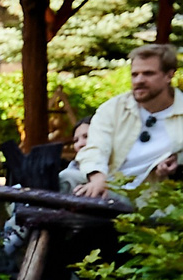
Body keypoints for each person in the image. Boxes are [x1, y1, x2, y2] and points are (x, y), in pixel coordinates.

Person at [75, 44, 180, 199]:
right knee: (66, 178)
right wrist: (98, 179)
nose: (139, 80)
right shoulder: (112, 108)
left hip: (151, 195)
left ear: (169, 75)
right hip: (108, 184)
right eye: (134, 74)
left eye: (148, 74)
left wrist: (178, 160)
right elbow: (95, 148)